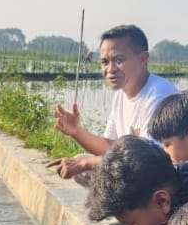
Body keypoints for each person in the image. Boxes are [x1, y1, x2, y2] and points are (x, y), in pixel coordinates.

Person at [46, 24, 177, 185]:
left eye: (119, 60)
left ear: (143, 59)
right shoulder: (121, 95)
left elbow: (146, 162)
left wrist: (87, 163)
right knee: (82, 164)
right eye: (104, 62)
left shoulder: (158, 94)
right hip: (138, 171)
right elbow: (109, 147)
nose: (110, 69)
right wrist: (76, 132)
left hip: (161, 178)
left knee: (87, 164)